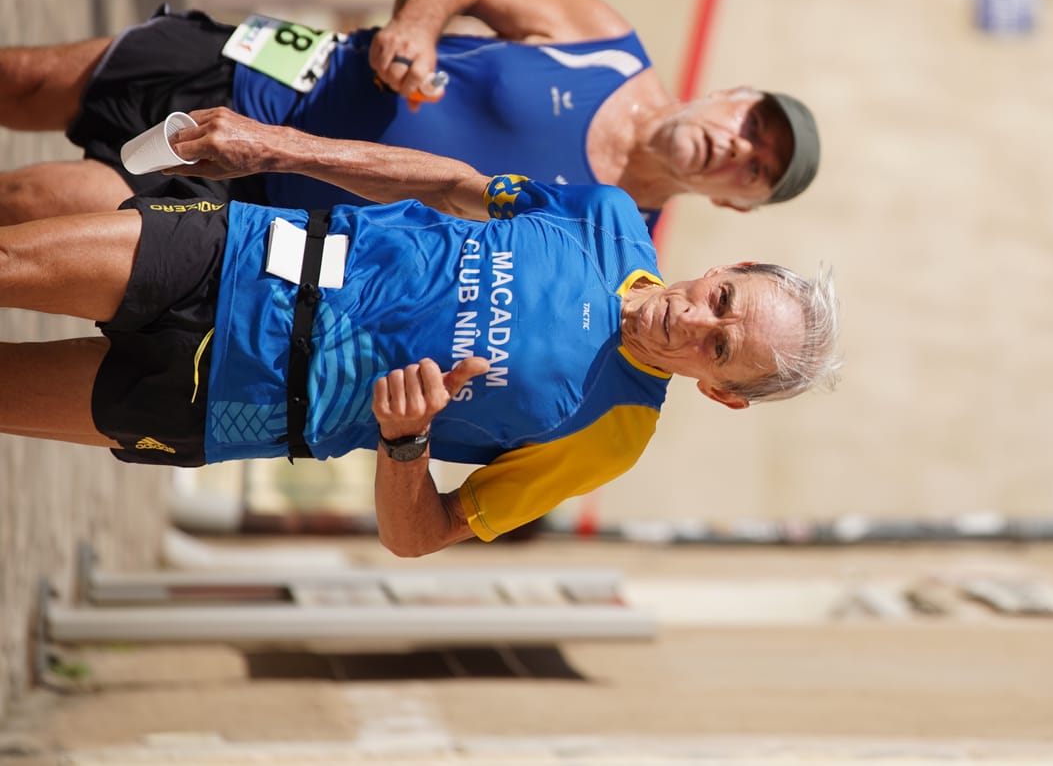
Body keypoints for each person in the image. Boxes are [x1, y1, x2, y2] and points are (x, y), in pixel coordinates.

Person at [0, 108, 840, 555]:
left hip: (232, 400)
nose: (695, 318)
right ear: (724, 267)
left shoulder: (611, 437)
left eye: (719, 347)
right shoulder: (608, 216)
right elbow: (448, 183)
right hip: (243, 255)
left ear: (723, 392)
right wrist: (276, 144)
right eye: (723, 298)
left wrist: (406, 444)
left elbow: (420, 535)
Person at [0, 0, 819, 226]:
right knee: (24, 77)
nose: (737, 146)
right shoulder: (603, 41)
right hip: (271, 71)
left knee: (37, 206)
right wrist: (418, 24)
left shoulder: (605, 233)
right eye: (753, 123)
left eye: (755, 168)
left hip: (262, 201)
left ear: (734, 205)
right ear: (732, 91)